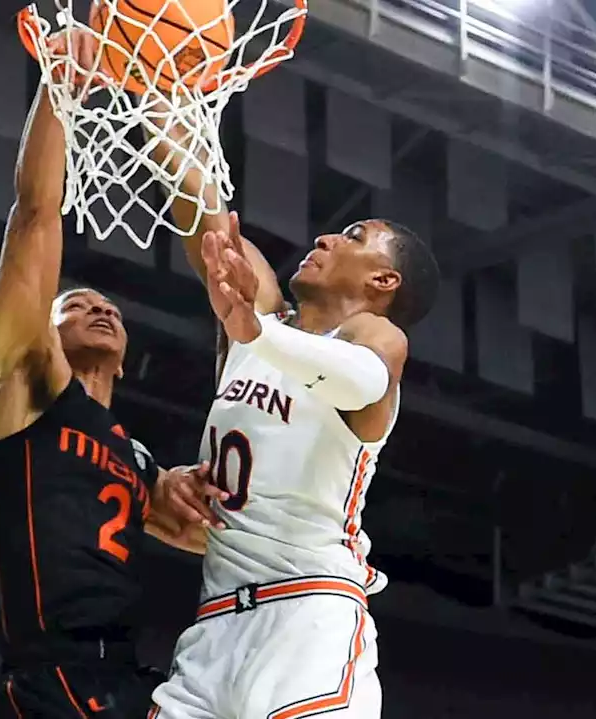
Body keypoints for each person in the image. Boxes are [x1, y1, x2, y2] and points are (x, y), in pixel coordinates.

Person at [147, 129, 440, 717]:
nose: (325, 236)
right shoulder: (259, 320)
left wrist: (258, 334)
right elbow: (208, 217)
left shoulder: (372, 337)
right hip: (212, 628)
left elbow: (365, 378)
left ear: (383, 281)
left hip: (308, 619)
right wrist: (161, 100)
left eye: (354, 237)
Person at [0, 31, 225, 719]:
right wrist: (59, 88)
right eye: (76, 304)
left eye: (108, 305)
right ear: (44, 329)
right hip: (53, 675)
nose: (99, 307)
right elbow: (34, 217)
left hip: (129, 671)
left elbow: (206, 533)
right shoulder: (29, 386)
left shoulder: (135, 457)